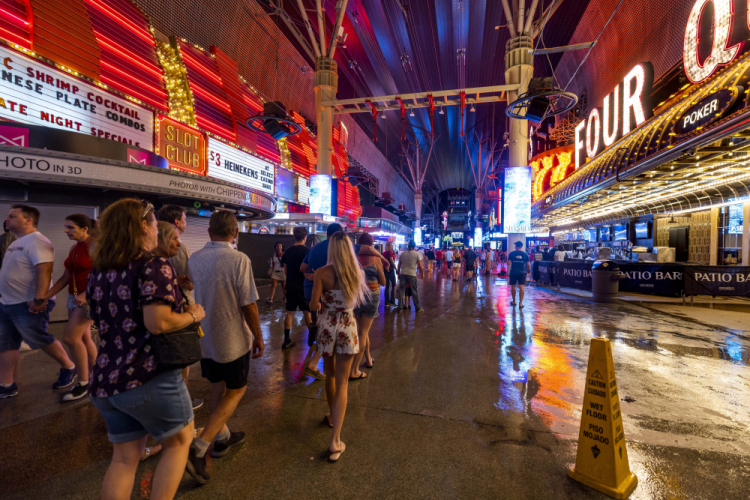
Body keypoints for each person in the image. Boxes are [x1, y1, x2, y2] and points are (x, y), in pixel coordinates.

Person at [87, 199, 204, 500]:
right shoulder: (153, 265)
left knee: (124, 459)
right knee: (180, 442)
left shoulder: (100, 271)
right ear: (142, 226)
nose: (157, 230)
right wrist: (194, 314)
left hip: (106, 379)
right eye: (154, 223)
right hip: (147, 374)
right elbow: (158, 322)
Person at [187, 210, 265, 483]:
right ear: (235, 233)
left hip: (205, 337)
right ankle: (200, 446)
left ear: (209, 232)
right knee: (236, 389)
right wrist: (258, 335)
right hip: (232, 340)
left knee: (217, 386)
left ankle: (223, 437)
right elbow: (248, 304)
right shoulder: (238, 259)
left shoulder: (194, 259)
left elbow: (189, 287)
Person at [0, 205, 76, 399]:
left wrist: (39, 299)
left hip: (29, 303)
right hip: (8, 303)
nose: (7, 219)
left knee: (40, 338)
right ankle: (7, 384)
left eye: (12, 216)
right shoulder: (15, 242)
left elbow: (44, 271)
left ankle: (69, 366)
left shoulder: (38, 241)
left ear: (28, 220)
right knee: (6, 343)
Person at [309, 231, 369, 462]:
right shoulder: (356, 273)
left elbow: (314, 304)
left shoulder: (322, 273)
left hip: (326, 327)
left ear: (331, 249)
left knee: (330, 375)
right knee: (343, 382)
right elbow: (356, 301)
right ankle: (335, 440)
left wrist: (323, 299)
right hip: (346, 325)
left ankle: (331, 416)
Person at [302, 224, 388, 341]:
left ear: (327, 234)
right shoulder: (353, 260)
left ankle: (316, 338)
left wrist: (312, 276)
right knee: (353, 334)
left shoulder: (313, 250)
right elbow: (367, 249)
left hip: (313, 292)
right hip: (343, 310)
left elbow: (302, 268)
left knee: (320, 327)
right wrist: (383, 259)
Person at [44, 214, 97, 402]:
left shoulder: (95, 245)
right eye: (66, 227)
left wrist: (88, 294)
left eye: (71, 227)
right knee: (83, 337)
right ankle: (96, 377)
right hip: (74, 297)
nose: (66, 231)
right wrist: (44, 296)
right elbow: (65, 278)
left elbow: (106, 273)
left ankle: (84, 383)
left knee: (70, 337)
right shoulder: (75, 248)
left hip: (89, 298)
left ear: (85, 228)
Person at [156, 205, 202, 411]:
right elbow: (189, 283)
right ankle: (181, 399)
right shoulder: (179, 250)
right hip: (179, 310)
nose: (185, 223)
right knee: (182, 356)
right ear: (176, 222)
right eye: (184, 219)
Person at [281, 226, 324, 379]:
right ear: (305, 237)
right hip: (303, 287)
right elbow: (307, 269)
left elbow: (285, 271)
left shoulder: (287, 252)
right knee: (307, 312)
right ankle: (312, 338)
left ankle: (286, 340)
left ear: (294, 236)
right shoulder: (307, 251)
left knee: (290, 313)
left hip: (290, 286)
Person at [350, 233, 385, 380]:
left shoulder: (353, 258)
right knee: (363, 332)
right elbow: (383, 282)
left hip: (356, 296)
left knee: (362, 330)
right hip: (372, 296)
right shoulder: (376, 259)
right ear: (371, 244)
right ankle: (355, 370)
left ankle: (369, 359)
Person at [396, 241, 423, 313]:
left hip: (403, 274)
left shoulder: (402, 254)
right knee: (414, 292)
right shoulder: (417, 254)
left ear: (408, 246)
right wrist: (422, 273)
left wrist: (398, 273)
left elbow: (399, 264)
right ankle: (417, 308)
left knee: (401, 291)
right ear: (414, 247)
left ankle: (400, 308)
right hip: (412, 275)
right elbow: (420, 265)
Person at [508, 241, 530, 308]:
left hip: (513, 272)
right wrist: (529, 271)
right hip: (522, 272)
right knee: (521, 287)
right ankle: (520, 303)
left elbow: (508, 263)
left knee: (513, 286)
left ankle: (514, 301)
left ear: (516, 246)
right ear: (521, 246)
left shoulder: (511, 253)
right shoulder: (525, 254)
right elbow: (528, 264)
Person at [382, 241, 398, 307]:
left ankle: (386, 302)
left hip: (385, 271)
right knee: (394, 285)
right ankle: (392, 301)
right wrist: (396, 269)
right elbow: (392, 262)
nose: (392, 246)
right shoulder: (390, 252)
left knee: (387, 286)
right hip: (391, 271)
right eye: (390, 245)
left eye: (392, 245)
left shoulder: (383, 253)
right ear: (387, 246)